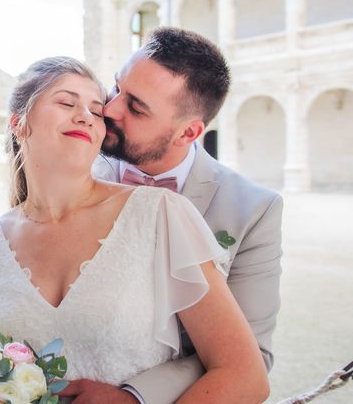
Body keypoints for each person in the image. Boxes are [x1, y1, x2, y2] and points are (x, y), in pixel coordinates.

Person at [0, 56, 270, 403]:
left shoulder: (160, 214)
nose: (85, 115)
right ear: (18, 124)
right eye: (67, 102)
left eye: (97, 111)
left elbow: (246, 376)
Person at [88, 27, 283, 404]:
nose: (109, 110)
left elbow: (252, 358)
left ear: (188, 132)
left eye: (136, 107)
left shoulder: (254, 210)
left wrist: (134, 397)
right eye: (116, 88)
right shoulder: (77, 169)